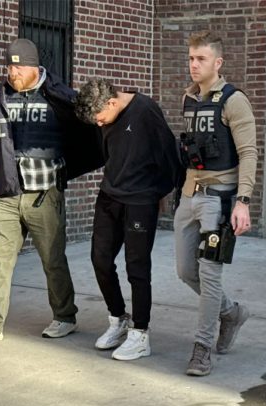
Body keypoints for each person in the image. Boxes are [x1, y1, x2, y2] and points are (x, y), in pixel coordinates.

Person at [0, 39, 99, 342]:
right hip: (7, 193)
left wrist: (72, 167)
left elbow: (90, 133)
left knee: (52, 259)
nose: (12, 73)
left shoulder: (59, 97)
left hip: (44, 194)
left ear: (34, 67)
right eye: (9, 67)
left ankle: (64, 316)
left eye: (18, 67)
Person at [73, 79, 182, 361]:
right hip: (110, 196)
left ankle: (141, 333)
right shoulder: (105, 113)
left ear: (111, 102)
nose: (99, 125)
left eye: (100, 119)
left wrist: (161, 193)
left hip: (140, 200)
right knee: (100, 258)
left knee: (137, 266)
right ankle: (119, 318)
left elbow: (169, 153)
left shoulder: (145, 111)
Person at [173, 31, 258, 376]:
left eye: (201, 59)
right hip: (188, 196)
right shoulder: (188, 98)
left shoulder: (234, 100)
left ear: (218, 62)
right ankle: (232, 312)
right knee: (185, 271)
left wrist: (243, 201)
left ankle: (202, 348)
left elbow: (248, 153)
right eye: (191, 58)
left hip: (219, 200)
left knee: (209, 275)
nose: (194, 65)